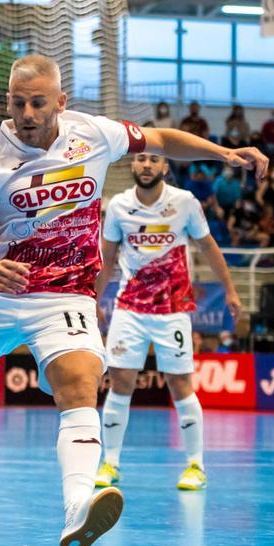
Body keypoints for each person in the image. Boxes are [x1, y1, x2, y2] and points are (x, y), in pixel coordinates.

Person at [0, 55, 266, 546]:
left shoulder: (94, 133)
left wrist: (224, 152)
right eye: (18, 103)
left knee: (81, 389)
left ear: (61, 102)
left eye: (38, 102)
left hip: (64, 296)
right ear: (8, 103)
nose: (27, 113)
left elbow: (163, 140)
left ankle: (78, 506)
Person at [92, 152, 243, 493]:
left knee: (180, 385)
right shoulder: (117, 206)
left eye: (153, 160)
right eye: (141, 159)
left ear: (165, 168)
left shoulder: (185, 203)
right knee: (120, 384)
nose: (146, 165)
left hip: (173, 309)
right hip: (129, 309)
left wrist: (231, 291)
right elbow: (108, 257)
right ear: (132, 166)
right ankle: (110, 463)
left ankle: (195, 465)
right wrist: (94, 299)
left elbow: (208, 246)